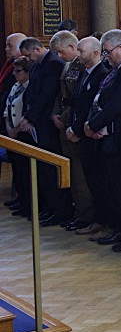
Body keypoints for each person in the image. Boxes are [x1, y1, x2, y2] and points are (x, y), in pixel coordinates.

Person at [81, 30, 121, 245]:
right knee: (111, 188)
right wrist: (90, 124)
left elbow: (117, 106)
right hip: (105, 136)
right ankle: (117, 228)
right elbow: (100, 101)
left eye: (108, 52)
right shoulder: (115, 71)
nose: (106, 57)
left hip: (118, 139)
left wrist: (93, 124)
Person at [18, 36, 68, 225]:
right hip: (38, 125)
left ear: (38, 49)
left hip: (47, 125)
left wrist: (30, 117)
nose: (28, 60)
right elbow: (31, 93)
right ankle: (49, 207)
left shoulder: (53, 64)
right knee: (42, 170)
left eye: (29, 55)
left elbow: (47, 95)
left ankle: (59, 210)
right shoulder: (39, 64)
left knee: (51, 169)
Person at [65, 36, 109, 235]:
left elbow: (92, 106)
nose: (78, 54)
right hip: (82, 131)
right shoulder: (85, 72)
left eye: (81, 51)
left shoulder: (101, 74)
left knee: (96, 180)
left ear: (95, 53)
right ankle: (91, 217)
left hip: (91, 134)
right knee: (88, 178)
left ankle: (98, 218)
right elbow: (78, 103)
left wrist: (77, 128)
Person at [49, 30, 89, 230]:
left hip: (72, 121)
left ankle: (85, 214)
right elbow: (61, 94)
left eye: (60, 52)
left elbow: (79, 99)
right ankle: (77, 211)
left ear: (72, 48)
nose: (58, 56)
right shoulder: (66, 66)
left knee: (79, 174)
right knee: (69, 171)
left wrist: (65, 118)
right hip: (63, 119)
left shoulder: (82, 67)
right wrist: (55, 113)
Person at [5, 57, 33, 219]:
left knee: (26, 171)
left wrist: (17, 128)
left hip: (24, 133)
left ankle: (30, 205)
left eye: (18, 71)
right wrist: (9, 126)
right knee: (18, 171)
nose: (15, 74)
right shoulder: (16, 86)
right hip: (13, 132)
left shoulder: (30, 88)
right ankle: (21, 201)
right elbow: (7, 107)